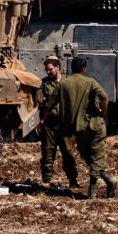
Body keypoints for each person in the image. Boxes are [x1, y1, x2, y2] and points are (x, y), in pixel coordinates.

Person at [57, 55, 116, 199]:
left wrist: (43, 120)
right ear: (84, 69)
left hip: (80, 127)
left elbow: (50, 103)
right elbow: (104, 97)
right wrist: (103, 112)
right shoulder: (90, 82)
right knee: (94, 156)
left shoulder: (63, 83)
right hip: (95, 125)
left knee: (88, 155)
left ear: (72, 68)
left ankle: (93, 189)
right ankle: (108, 180)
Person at [38, 55, 80, 189]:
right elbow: (40, 102)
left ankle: (73, 180)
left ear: (58, 68)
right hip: (49, 123)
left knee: (68, 153)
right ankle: (46, 180)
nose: (48, 72)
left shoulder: (68, 82)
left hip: (65, 124)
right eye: (46, 70)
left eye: (50, 69)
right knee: (48, 152)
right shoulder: (43, 84)